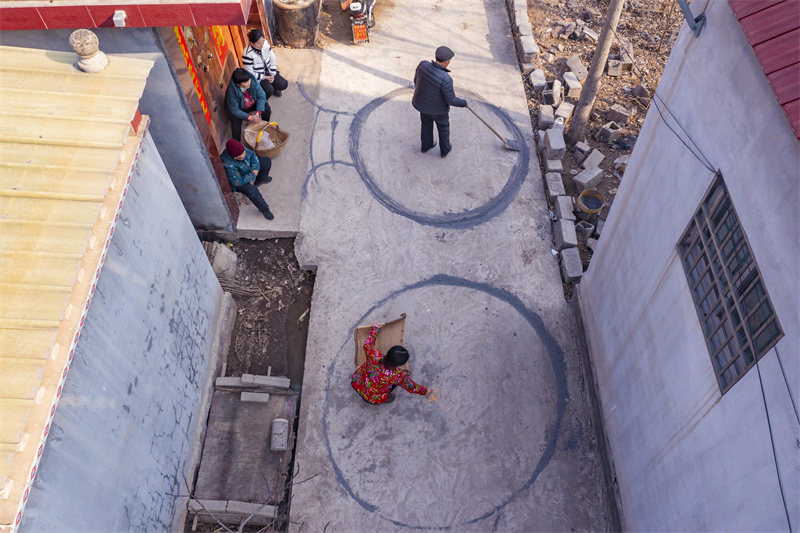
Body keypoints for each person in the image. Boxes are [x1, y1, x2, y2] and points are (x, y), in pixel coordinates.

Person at [412, 46, 468, 158]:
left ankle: (426, 146)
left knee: (426, 125)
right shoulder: (446, 79)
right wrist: (463, 103)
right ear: (447, 62)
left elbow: (416, 81)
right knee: (443, 128)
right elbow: (451, 100)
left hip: (423, 105)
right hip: (439, 110)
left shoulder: (422, 65)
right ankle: (445, 149)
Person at [351, 324, 427, 405]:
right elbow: (411, 386)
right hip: (371, 397)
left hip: (357, 381)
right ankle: (384, 399)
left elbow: (367, 344)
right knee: (397, 384)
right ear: (398, 364)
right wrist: (425, 391)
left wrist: (375, 329)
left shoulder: (374, 355)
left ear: (388, 353)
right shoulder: (397, 376)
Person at [221, 139, 275, 220]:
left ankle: (261, 180)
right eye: (242, 154)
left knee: (266, 161)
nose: (245, 153)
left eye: (244, 151)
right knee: (252, 191)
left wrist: (255, 168)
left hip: (247, 168)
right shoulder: (228, 164)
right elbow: (237, 182)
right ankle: (264, 209)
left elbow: (252, 154)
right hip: (239, 181)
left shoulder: (240, 149)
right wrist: (252, 175)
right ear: (236, 157)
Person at [242, 29, 289, 99]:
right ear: (251, 43)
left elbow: (272, 57)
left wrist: (272, 73)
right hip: (259, 77)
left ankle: (275, 88)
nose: (261, 45)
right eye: (258, 43)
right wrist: (265, 77)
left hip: (269, 71)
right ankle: (262, 97)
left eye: (262, 41)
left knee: (283, 84)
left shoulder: (265, 44)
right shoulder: (247, 54)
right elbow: (250, 73)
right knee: (269, 90)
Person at [225, 68, 268, 142]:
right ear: (238, 84)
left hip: (251, 104)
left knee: (266, 108)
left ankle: (264, 128)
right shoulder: (231, 91)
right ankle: (237, 143)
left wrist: (258, 111)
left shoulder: (252, 81)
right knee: (235, 120)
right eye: (245, 82)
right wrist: (249, 117)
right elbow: (234, 110)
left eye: (248, 80)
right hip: (240, 108)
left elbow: (262, 95)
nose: (248, 83)